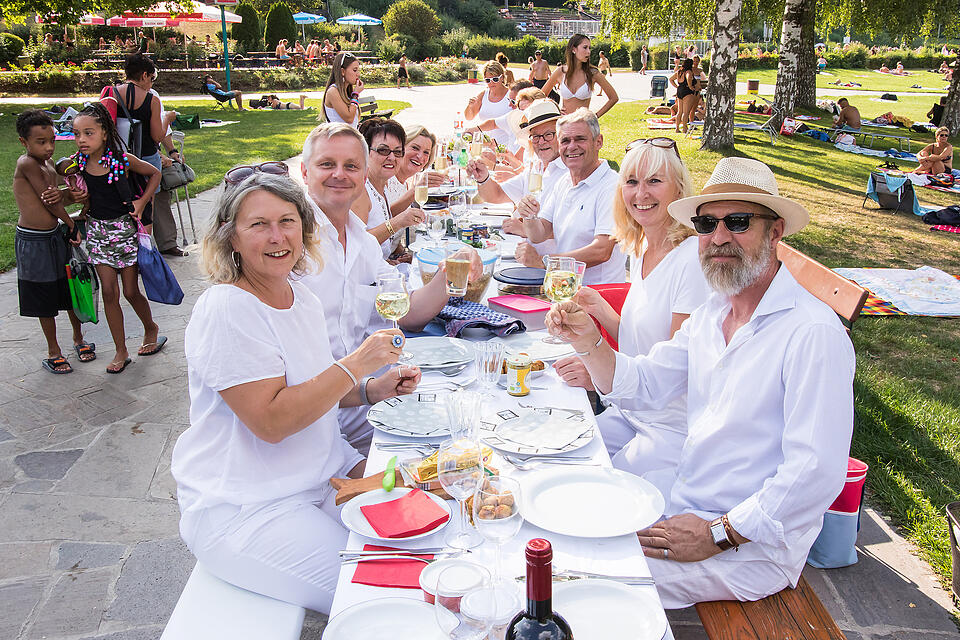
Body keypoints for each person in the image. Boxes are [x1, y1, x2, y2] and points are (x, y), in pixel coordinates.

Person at [544, 157, 855, 608]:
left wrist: (718, 533)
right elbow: (648, 382)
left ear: (776, 231)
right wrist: (590, 340)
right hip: (687, 495)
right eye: (708, 223)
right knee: (562, 517)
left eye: (739, 222)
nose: (720, 237)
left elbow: (815, 473)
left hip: (750, 546)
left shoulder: (811, 334)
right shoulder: (715, 313)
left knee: (579, 578)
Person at [171, 170, 420, 614]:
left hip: (322, 476)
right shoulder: (228, 308)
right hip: (250, 508)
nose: (276, 236)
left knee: (429, 536)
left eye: (287, 221)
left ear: (305, 230)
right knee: (385, 599)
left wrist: (368, 389)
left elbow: (312, 386)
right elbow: (272, 421)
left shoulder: (298, 295)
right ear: (230, 237)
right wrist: (355, 365)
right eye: (258, 224)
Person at [298, 123, 478, 452]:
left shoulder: (361, 242)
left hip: (369, 399)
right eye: (327, 164)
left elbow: (409, 314)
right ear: (304, 171)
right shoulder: (290, 244)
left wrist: (450, 272)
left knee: (470, 419)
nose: (340, 174)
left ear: (363, 172)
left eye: (351, 165)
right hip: (316, 421)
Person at [553, 139, 709, 482]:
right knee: (559, 455)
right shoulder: (641, 246)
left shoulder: (691, 260)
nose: (641, 194)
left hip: (671, 426)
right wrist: (602, 311)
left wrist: (599, 370)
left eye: (654, 181)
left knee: (593, 486)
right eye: (632, 182)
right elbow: (643, 340)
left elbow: (676, 369)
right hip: (631, 409)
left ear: (679, 189)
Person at [71, 103, 163, 374]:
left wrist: (142, 201)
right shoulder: (79, 164)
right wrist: (73, 198)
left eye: (88, 133)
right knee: (110, 292)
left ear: (104, 132)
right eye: (76, 134)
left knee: (131, 291)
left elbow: (154, 173)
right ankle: (120, 350)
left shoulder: (121, 159)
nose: (81, 140)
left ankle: (151, 327)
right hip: (98, 233)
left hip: (124, 231)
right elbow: (73, 190)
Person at [14, 111, 92, 374]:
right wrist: (71, 224)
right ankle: (53, 351)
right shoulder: (27, 164)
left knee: (68, 290)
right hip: (34, 241)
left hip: (54, 236)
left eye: (52, 141)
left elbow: (58, 199)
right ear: (24, 142)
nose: (48, 148)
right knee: (43, 295)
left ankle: (79, 339)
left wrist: (74, 194)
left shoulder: (48, 166)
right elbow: (50, 202)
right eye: (40, 142)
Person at [515, 107, 626, 284]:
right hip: (564, 289)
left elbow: (602, 251)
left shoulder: (612, 186)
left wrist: (545, 262)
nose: (572, 146)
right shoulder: (565, 181)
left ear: (599, 142)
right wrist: (529, 216)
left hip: (598, 298)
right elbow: (540, 233)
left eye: (580, 139)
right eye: (565, 141)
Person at [465, 98, 565, 264]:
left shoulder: (570, 171)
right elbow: (496, 195)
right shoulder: (537, 168)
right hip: (526, 259)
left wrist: (525, 229)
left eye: (548, 134)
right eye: (535, 136)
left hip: (552, 268)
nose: (541, 141)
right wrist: (482, 177)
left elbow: (574, 227)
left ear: (561, 135)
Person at [353, 118, 423, 260]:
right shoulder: (360, 192)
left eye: (398, 152)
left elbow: (383, 239)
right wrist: (398, 222)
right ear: (365, 152)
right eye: (383, 150)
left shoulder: (381, 186)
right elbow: (357, 245)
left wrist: (398, 255)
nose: (392, 157)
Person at [542, 34, 618, 117]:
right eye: (585, 47)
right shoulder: (560, 71)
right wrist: (554, 110)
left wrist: (595, 116)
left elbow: (614, 98)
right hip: (563, 125)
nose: (588, 52)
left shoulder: (593, 73)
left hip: (584, 126)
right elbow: (541, 95)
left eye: (589, 48)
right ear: (573, 49)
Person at [386, 124, 446, 215]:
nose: (420, 156)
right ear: (400, 147)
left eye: (426, 152)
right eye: (415, 148)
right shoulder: (385, 180)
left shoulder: (405, 184)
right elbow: (385, 217)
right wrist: (417, 189)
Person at [464, 61, 513, 146]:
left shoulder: (511, 95)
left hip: (505, 147)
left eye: (495, 79)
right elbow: (469, 117)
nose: (491, 83)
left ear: (502, 77)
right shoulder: (483, 95)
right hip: (485, 146)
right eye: (488, 80)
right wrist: (470, 107)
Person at [323, 52, 362, 128]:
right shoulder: (333, 91)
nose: (358, 74)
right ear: (343, 71)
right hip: (338, 138)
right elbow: (349, 118)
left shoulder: (346, 92)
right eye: (354, 70)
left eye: (358, 70)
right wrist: (356, 94)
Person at [674, 59, 700, 134]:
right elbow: (688, 77)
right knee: (686, 112)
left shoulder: (680, 71)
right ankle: (684, 128)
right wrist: (690, 86)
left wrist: (676, 86)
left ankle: (677, 128)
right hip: (687, 91)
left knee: (680, 111)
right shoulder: (688, 71)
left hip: (680, 90)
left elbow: (671, 79)